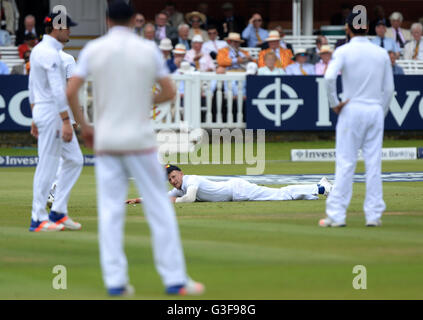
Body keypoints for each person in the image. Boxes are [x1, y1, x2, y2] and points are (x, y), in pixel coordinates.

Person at [66, 0, 204, 297]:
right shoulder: (147, 49)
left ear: (108, 20)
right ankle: (175, 280)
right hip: (139, 140)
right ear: (133, 21)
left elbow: (70, 91)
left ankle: (116, 283)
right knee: (159, 210)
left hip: (107, 140)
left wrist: (86, 127)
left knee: (110, 212)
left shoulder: (94, 49)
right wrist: (142, 100)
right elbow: (169, 91)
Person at [320, 12, 394, 227]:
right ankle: (373, 216)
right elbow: (388, 89)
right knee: (373, 163)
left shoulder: (343, 50)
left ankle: (337, 216)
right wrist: (381, 111)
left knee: (345, 162)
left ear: (347, 28)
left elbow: (329, 77)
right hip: (374, 109)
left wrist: (335, 103)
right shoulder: (380, 53)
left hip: (351, 108)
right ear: (368, 27)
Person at [28, 12, 81, 232]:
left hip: (47, 111)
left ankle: (58, 211)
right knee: (48, 164)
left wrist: (33, 115)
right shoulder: (47, 52)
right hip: (52, 113)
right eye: (67, 28)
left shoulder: (48, 51)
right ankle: (38, 218)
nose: (70, 31)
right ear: (57, 29)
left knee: (75, 160)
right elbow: (58, 89)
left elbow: (32, 86)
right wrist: (66, 120)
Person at [126, 165, 333, 204]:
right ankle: (312, 192)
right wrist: (139, 199)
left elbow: (188, 199)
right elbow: (162, 196)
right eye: (170, 179)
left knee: (280, 194)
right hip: (236, 192)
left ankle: (321, 188)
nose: (173, 180)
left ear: (181, 173)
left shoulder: (191, 180)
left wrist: (174, 201)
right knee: (280, 194)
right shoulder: (179, 188)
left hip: (238, 190)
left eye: (174, 176)